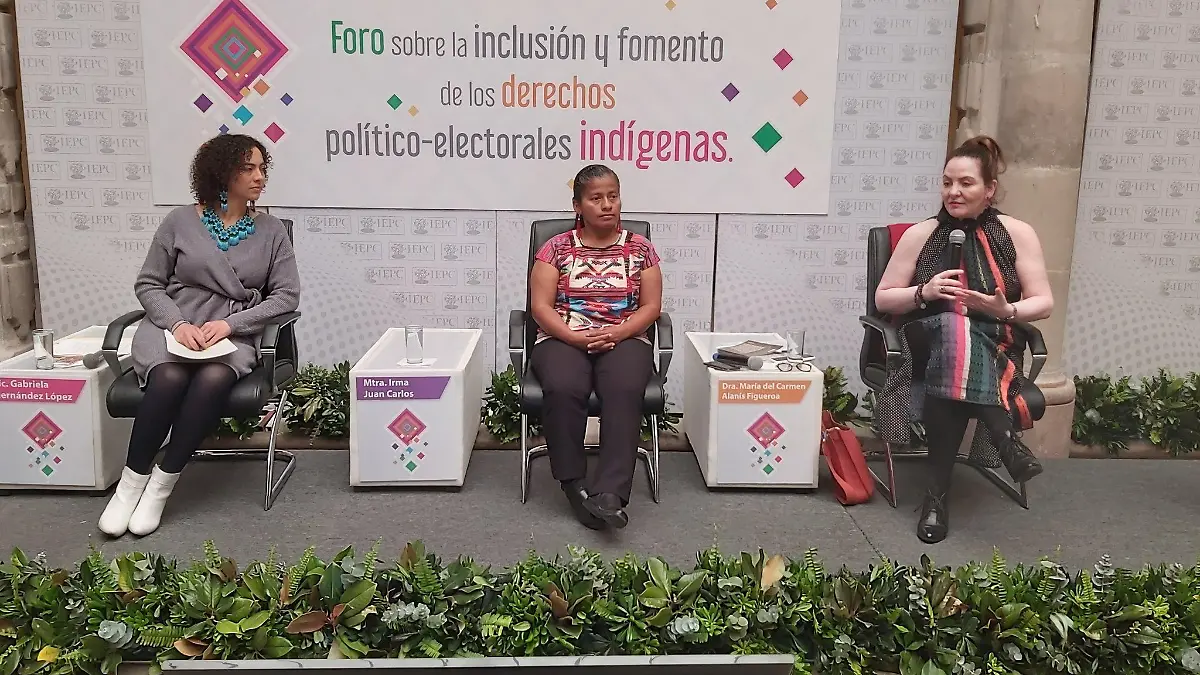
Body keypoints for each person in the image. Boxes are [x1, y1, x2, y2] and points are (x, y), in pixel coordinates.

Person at [98, 134, 301, 537]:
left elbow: (286, 296)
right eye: (248, 168)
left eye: (262, 168)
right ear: (222, 174)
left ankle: (161, 485)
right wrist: (177, 324)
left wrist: (231, 325)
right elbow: (149, 284)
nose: (260, 177)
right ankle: (129, 486)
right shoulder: (179, 222)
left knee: (213, 377)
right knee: (170, 377)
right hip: (173, 325)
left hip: (232, 330)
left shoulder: (272, 230)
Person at [873, 136, 1053, 545]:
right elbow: (884, 298)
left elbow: (1043, 302)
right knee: (953, 324)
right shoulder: (921, 234)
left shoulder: (1017, 233)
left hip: (994, 341)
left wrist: (1004, 310)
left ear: (990, 189)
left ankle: (936, 500)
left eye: (966, 183)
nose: (953, 191)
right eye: (947, 182)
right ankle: (1006, 440)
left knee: (956, 366)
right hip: (924, 343)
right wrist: (925, 292)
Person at [529, 164, 662, 530]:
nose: (607, 205)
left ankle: (610, 495)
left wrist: (618, 333)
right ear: (578, 206)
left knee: (623, 387)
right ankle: (574, 485)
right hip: (562, 335)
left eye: (613, 196)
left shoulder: (641, 249)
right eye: (596, 198)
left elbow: (651, 307)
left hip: (625, 336)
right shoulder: (555, 248)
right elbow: (540, 307)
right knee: (564, 386)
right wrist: (573, 337)